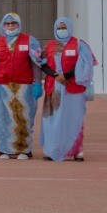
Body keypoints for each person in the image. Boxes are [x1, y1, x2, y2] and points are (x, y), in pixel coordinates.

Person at [0, 12, 43, 160]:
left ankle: (24, 150)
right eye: (7, 23)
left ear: (19, 24)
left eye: (13, 23)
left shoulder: (30, 41)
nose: (10, 26)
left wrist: (38, 82)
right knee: (2, 119)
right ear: (3, 26)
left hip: (25, 87)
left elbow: (36, 63)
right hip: (2, 88)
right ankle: (4, 150)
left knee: (24, 118)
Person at [40, 16, 95, 162]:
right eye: (59, 28)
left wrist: (66, 75)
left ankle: (77, 151)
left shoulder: (79, 45)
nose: (61, 30)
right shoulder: (49, 45)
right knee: (53, 120)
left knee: (74, 119)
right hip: (54, 88)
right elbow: (43, 64)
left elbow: (86, 64)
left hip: (73, 88)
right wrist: (55, 75)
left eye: (64, 28)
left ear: (70, 28)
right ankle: (53, 150)